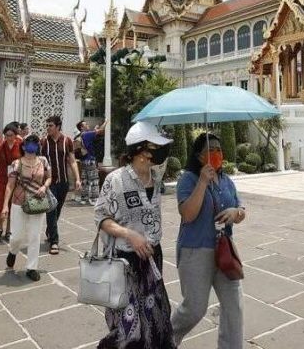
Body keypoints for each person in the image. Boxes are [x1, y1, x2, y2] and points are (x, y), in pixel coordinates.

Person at [94, 121, 176, 348]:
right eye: (153, 148)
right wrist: (130, 234)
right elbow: (101, 218)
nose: (158, 154)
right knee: (128, 325)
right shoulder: (116, 180)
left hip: (151, 258)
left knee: (156, 317)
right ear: (140, 151)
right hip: (125, 261)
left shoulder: (156, 178)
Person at [171, 133, 246, 348]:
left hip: (224, 252)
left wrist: (236, 213)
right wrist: (203, 181)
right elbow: (187, 215)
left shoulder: (226, 180)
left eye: (219, 149)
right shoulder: (188, 179)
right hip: (196, 251)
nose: (217, 153)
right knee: (194, 309)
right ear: (199, 156)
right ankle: (166, 340)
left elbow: (241, 210)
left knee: (234, 307)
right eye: (210, 150)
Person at [2, 134, 52, 281]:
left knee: (34, 236)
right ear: (23, 146)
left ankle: (31, 268)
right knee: (16, 236)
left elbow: (49, 177)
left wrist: (44, 186)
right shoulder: (16, 163)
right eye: (29, 143)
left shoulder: (43, 161)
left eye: (35, 142)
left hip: (37, 203)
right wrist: (5, 205)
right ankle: (13, 251)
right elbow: (10, 185)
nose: (32, 145)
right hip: (19, 203)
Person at [41, 115, 81, 255]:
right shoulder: (44, 142)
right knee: (51, 210)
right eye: (47, 125)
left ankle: (50, 230)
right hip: (49, 182)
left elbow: (72, 161)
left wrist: (77, 179)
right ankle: (54, 241)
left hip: (63, 182)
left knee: (57, 210)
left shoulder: (67, 141)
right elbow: (40, 162)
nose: (48, 128)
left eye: (50, 125)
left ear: (58, 126)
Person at [0, 124, 23, 242]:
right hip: (1, 178)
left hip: (16, 178)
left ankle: (9, 229)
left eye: (11, 135)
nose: (9, 137)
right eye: (6, 135)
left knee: (12, 203)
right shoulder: (0, 147)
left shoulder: (20, 146)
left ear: (15, 135)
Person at [76, 119, 107, 205]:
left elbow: (95, 131)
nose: (87, 125)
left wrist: (96, 128)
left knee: (85, 180)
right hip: (90, 160)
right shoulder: (87, 134)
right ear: (82, 127)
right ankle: (94, 199)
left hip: (83, 161)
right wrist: (106, 122)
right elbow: (100, 131)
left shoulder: (81, 135)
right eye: (85, 124)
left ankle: (84, 198)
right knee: (94, 180)